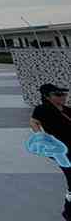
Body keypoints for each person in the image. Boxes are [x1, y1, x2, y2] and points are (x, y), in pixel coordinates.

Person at [30, 83, 71, 220]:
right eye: (58, 95)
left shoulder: (66, 109)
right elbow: (33, 122)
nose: (63, 97)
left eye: (63, 94)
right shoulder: (42, 109)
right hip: (60, 150)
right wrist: (40, 136)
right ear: (47, 96)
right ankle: (68, 212)